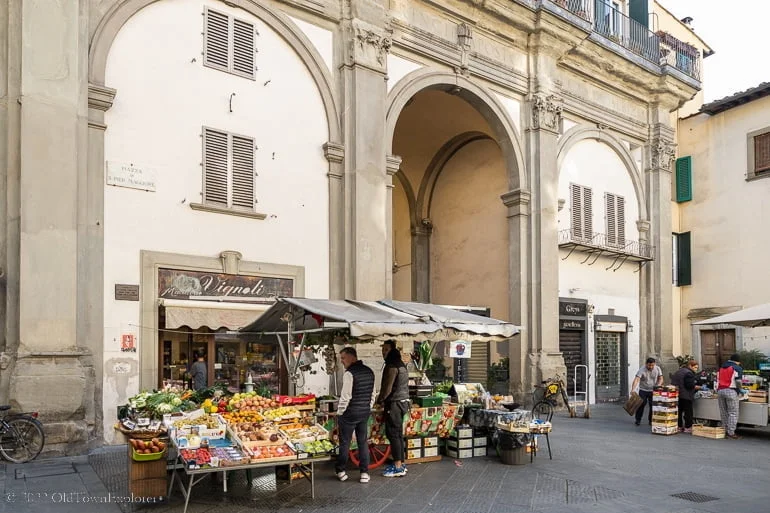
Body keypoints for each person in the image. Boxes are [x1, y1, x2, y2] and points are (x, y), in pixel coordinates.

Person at [335, 347, 376, 483]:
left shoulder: (349, 374)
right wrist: (368, 407)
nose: (342, 361)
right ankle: (364, 473)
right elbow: (373, 394)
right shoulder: (369, 372)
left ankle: (341, 471)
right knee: (362, 442)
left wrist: (340, 412)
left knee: (345, 442)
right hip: (364, 412)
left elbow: (345, 397)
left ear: (352, 357)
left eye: (343, 358)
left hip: (350, 413)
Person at [376, 340, 410, 478]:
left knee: (394, 434)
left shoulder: (392, 365)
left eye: (386, 349)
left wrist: (380, 400)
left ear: (392, 350)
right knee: (398, 434)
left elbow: (387, 388)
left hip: (394, 403)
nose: (383, 352)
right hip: (403, 401)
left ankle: (397, 466)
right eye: (382, 349)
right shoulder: (401, 364)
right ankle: (401, 463)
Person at [717, 353, 746, 440]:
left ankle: (724, 430)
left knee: (723, 412)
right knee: (733, 413)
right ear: (738, 361)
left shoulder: (722, 367)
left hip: (720, 391)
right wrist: (741, 389)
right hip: (731, 391)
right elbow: (738, 381)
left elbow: (717, 379)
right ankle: (731, 433)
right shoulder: (737, 368)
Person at [631, 357, 663, 426]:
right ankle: (638, 419)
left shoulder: (657, 368)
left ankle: (651, 420)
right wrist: (633, 389)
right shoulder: (642, 369)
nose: (651, 367)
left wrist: (658, 385)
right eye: (649, 365)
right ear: (646, 364)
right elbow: (636, 379)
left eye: (652, 365)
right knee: (641, 404)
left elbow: (660, 378)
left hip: (653, 390)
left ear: (654, 364)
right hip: (643, 390)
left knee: (653, 405)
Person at [671, 359, 701, 433]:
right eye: (695, 367)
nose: (696, 369)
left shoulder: (679, 371)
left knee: (679, 411)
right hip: (686, 395)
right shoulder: (689, 373)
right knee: (688, 412)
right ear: (690, 366)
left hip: (677, 394)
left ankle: (679, 426)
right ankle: (688, 427)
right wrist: (699, 387)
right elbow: (689, 385)